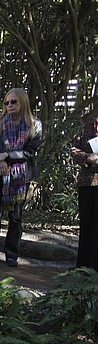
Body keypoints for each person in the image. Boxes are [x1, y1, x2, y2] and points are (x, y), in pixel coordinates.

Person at [0, 88, 43, 267]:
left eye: (13, 102)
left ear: (23, 102)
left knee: (16, 217)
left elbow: (30, 151)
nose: (9, 105)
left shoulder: (34, 125)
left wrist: (6, 156)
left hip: (21, 176)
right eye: (6, 102)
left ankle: (12, 255)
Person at [71, 115, 98, 270]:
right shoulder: (87, 125)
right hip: (87, 182)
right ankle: (83, 266)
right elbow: (74, 150)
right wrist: (88, 158)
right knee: (86, 223)